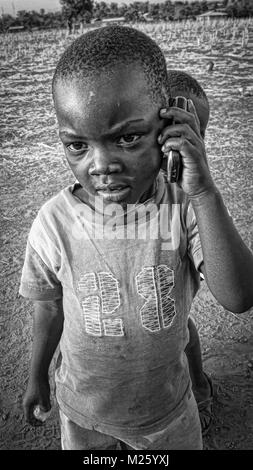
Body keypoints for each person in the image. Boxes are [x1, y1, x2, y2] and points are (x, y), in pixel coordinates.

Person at [20, 26, 253, 450]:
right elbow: (49, 309)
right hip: (84, 415)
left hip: (167, 415)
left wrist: (202, 190)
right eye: (77, 145)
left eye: (127, 138)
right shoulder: (53, 221)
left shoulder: (183, 208)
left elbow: (240, 296)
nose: (101, 164)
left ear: (167, 129)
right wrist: (37, 375)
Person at [167, 70, 213, 436]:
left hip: (173, 302)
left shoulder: (190, 200)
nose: (178, 149)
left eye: (194, 135)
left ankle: (198, 382)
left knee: (183, 327)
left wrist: (203, 191)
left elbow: (238, 293)